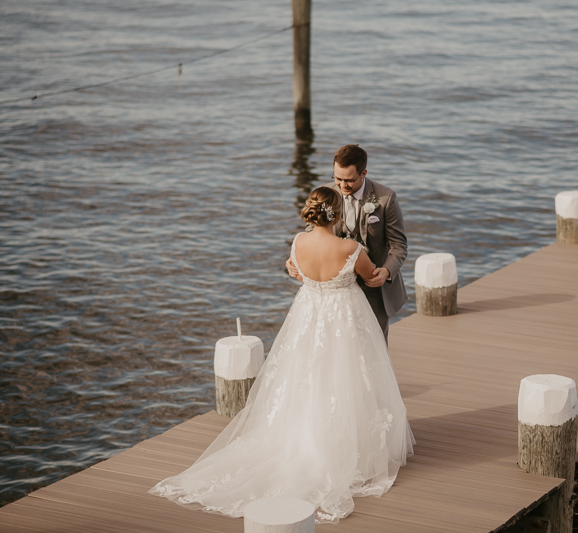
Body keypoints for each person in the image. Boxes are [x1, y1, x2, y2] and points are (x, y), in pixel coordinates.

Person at [149, 186, 415, 524]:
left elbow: (300, 271)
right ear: (335, 215)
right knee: (345, 378)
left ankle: (305, 439)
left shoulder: (298, 244)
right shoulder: (351, 248)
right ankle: (349, 448)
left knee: (304, 378)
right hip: (344, 320)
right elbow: (367, 276)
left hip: (308, 315)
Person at [287, 144, 407, 341]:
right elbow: (312, 231)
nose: (342, 186)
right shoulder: (325, 193)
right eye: (338, 178)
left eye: (349, 180)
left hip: (374, 288)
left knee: (375, 348)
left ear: (363, 173)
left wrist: (386, 271)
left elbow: (399, 245)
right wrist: (294, 259)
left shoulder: (385, 198)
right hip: (338, 292)